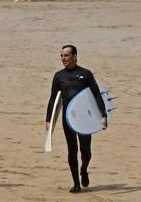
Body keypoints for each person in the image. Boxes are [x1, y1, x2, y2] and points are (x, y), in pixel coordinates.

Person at [46, 45, 107, 193]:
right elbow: (54, 99)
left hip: (85, 119)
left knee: (86, 151)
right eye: (61, 56)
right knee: (72, 150)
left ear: (75, 56)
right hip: (68, 120)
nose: (63, 59)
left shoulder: (85, 74)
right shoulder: (59, 76)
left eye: (66, 56)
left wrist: (103, 115)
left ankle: (84, 169)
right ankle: (76, 183)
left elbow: (97, 94)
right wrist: (49, 120)